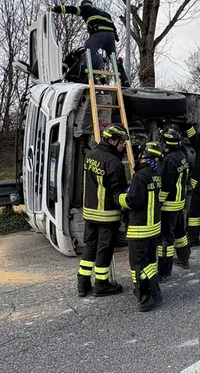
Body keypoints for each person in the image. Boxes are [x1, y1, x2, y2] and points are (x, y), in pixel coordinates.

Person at [77, 123, 130, 298]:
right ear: (112, 140)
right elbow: (118, 193)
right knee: (104, 250)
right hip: (107, 214)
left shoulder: (90, 155)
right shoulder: (114, 162)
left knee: (90, 247)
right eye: (122, 141)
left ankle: (83, 284)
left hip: (90, 212)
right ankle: (101, 284)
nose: (124, 145)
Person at [119, 141, 164, 312]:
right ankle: (155, 291)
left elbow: (134, 202)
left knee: (138, 264)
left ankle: (146, 296)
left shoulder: (140, 176)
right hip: (153, 227)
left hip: (139, 228)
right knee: (150, 262)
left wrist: (120, 198)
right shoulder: (156, 175)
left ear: (146, 156)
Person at [157, 127, 191, 279]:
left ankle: (165, 271)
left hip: (169, 205)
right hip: (179, 202)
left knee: (166, 239)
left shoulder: (169, 160)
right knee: (180, 233)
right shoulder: (182, 155)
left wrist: (158, 203)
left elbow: (165, 186)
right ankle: (184, 259)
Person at [49, 0, 119, 72]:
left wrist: (55, 9)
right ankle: (123, 79)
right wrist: (116, 37)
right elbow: (113, 27)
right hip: (111, 37)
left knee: (88, 51)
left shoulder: (86, 9)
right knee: (113, 58)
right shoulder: (106, 14)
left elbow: (72, 9)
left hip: (99, 34)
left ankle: (83, 73)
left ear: (83, 5)